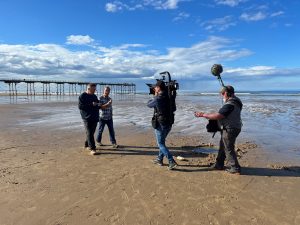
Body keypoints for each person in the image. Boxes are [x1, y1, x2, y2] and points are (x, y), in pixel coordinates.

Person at [194, 85, 243, 174]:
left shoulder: (229, 105)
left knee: (228, 148)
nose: (222, 96)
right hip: (234, 127)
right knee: (222, 147)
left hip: (230, 129)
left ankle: (235, 168)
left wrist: (203, 115)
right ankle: (219, 164)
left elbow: (218, 116)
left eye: (223, 94)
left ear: (227, 93)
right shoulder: (237, 101)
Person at [147, 80, 177, 170]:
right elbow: (174, 108)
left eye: (155, 87)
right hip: (169, 123)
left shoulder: (158, 97)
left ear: (158, 88)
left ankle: (171, 161)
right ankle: (159, 159)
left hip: (161, 124)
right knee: (162, 142)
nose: (154, 88)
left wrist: (155, 96)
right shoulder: (170, 96)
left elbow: (148, 104)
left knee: (160, 143)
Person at [78, 83, 99, 155]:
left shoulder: (94, 96)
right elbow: (80, 107)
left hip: (95, 117)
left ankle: (86, 144)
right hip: (86, 118)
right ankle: (93, 148)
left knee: (91, 133)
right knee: (90, 133)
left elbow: (97, 105)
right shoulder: (82, 96)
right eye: (93, 89)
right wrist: (91, 104)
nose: (95, 90)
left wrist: (100, 105)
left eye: (95, 89)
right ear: (89, 89)